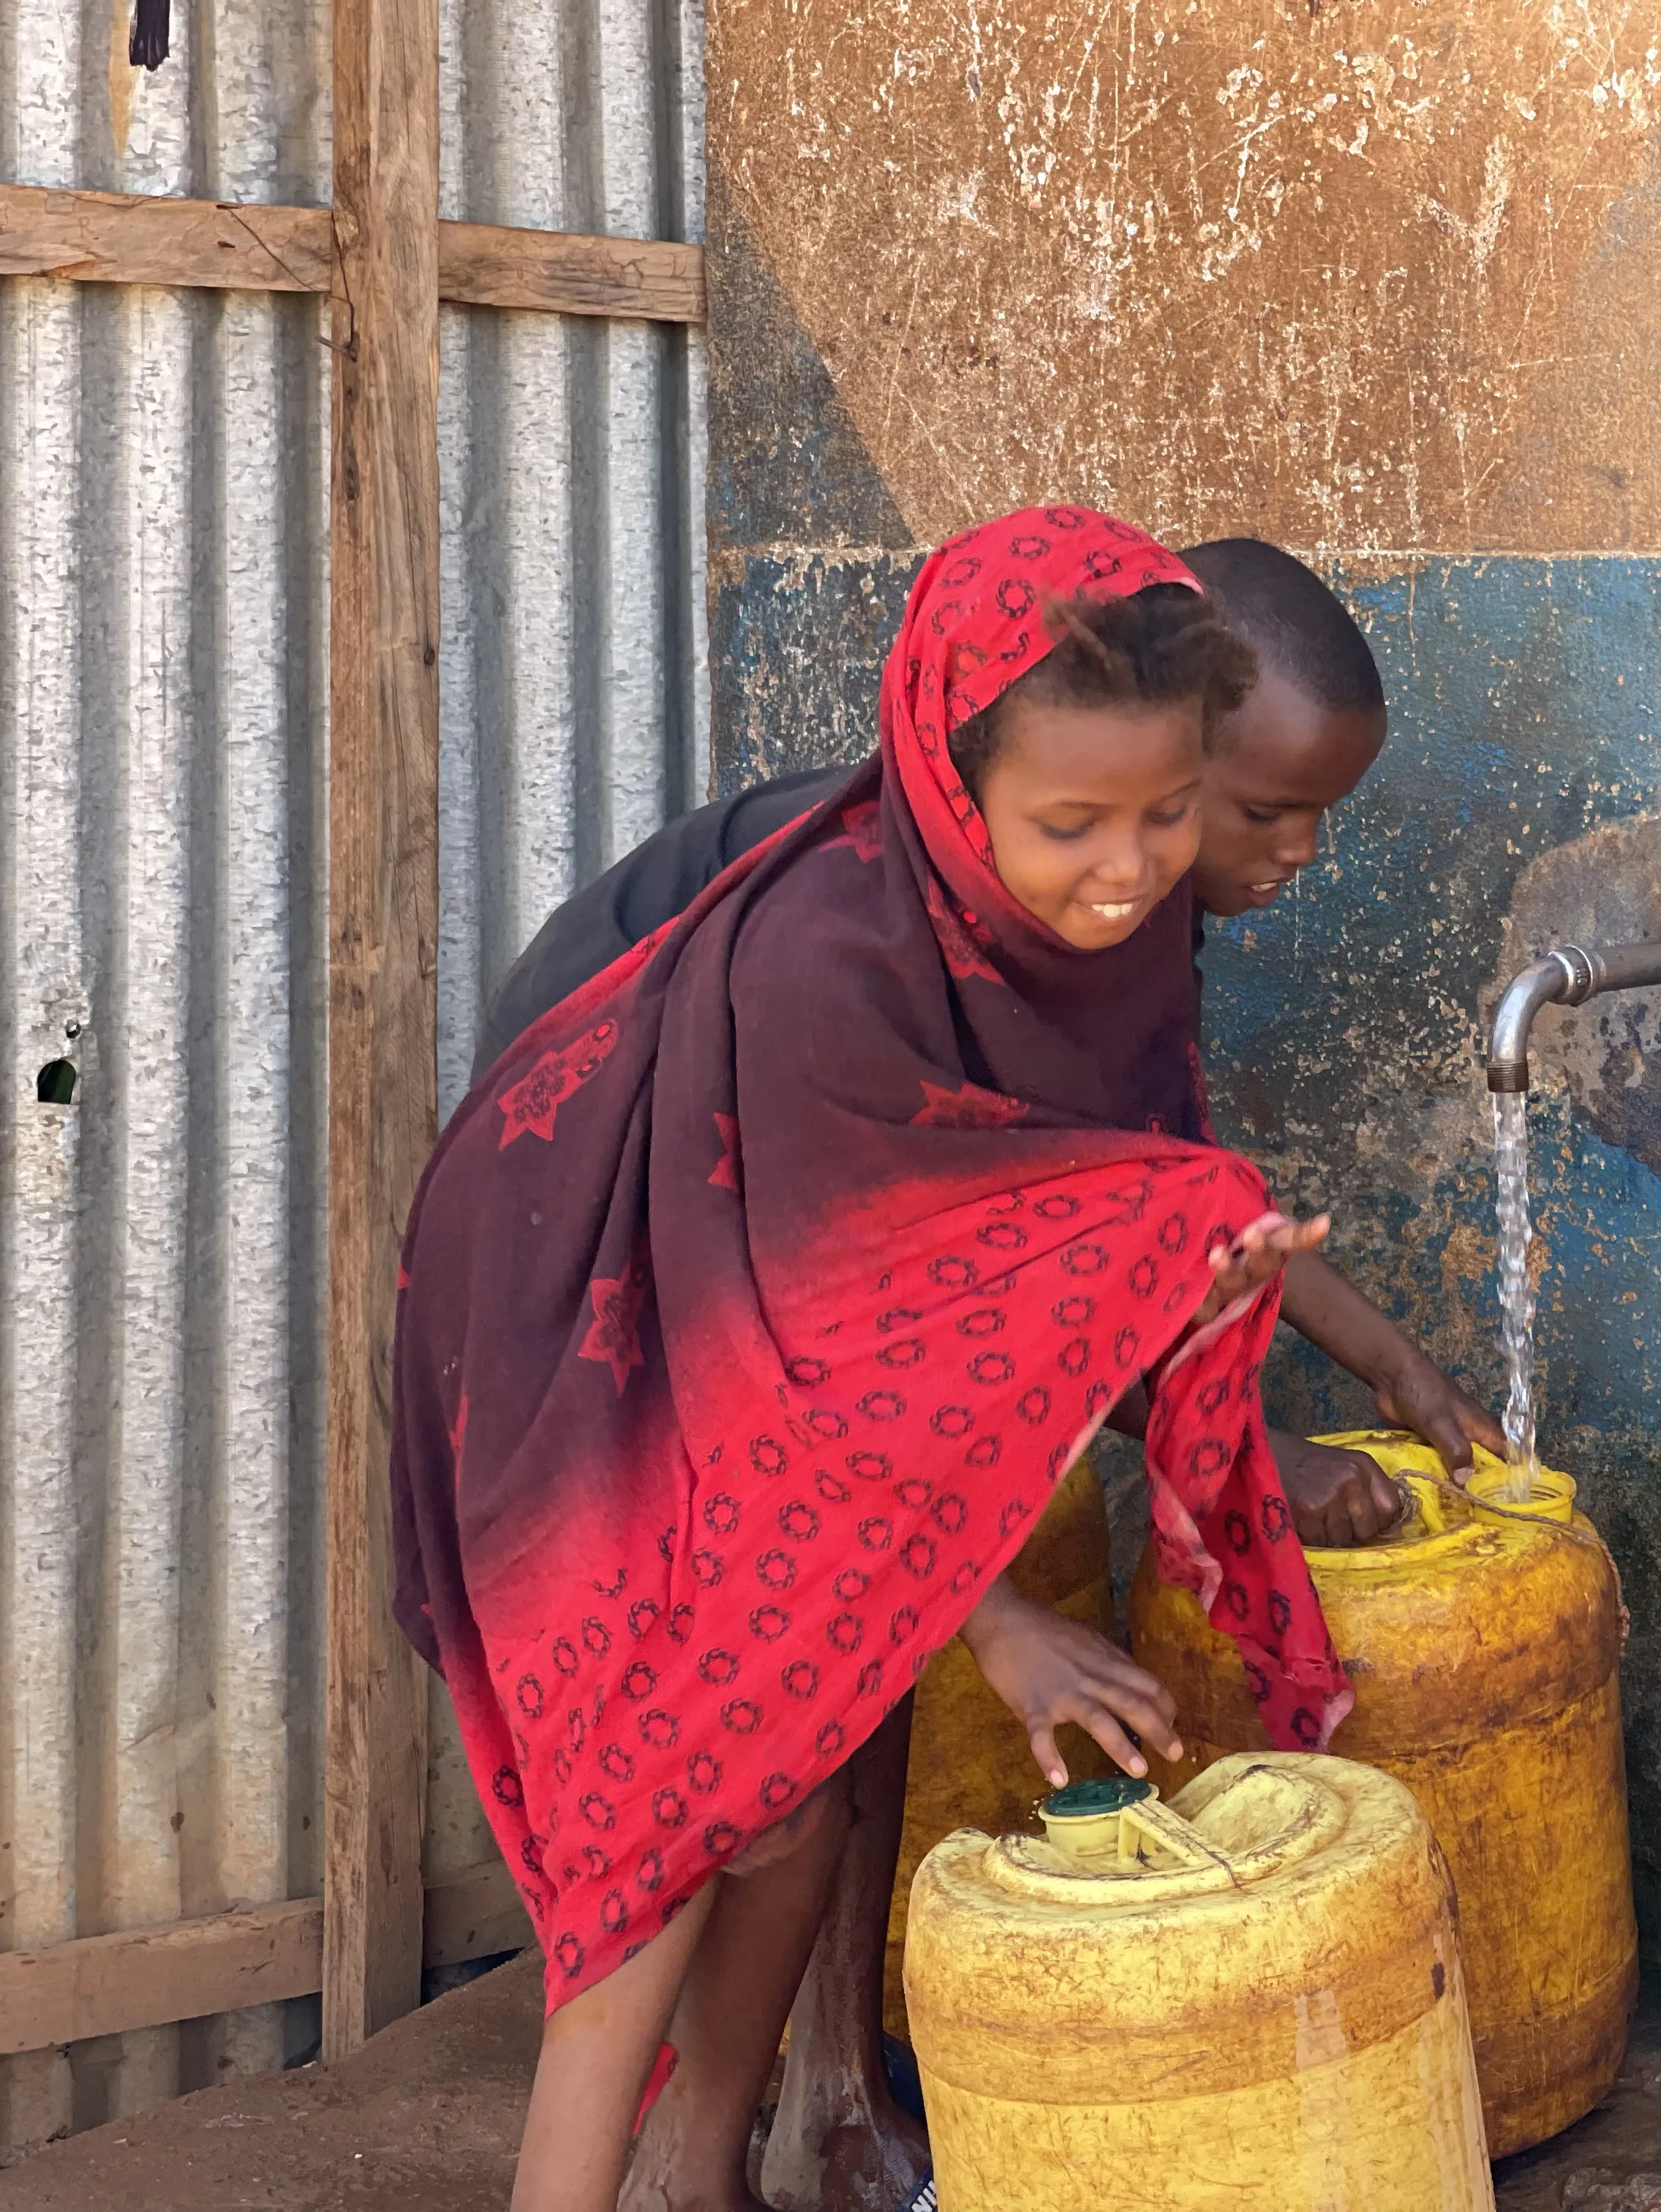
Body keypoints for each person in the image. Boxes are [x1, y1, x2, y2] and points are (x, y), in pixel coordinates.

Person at [390, 509, 1355, 2212]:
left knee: (803, 1799)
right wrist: (996, 1624)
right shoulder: (829, 969)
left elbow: (1069, 1208)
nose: (1126, 866)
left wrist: (1193, 1285)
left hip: (767, 1296)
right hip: (593, 1283)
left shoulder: (1097, 942)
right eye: (1072, 825)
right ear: (946, 781)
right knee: (682, 1793)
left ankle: (709, 2182)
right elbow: (812, 1363)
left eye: (1166, 814)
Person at [474, 537, 1498, 1519]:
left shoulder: (1120, 894)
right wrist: (1242, 1450)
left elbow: (1154, 1186)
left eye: (1320, 814)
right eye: (1266, 811)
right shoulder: (852, 958)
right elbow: (933, 1290)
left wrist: (1400, 1372)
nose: (1303, 852)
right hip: (603, 1127)